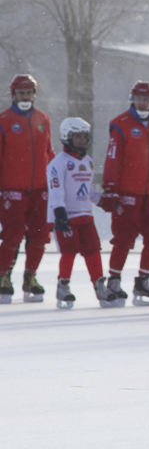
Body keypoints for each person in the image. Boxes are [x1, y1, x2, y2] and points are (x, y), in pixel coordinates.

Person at [102, 80, 149, 305]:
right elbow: (113, 159)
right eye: (140, 98)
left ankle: (143, 280)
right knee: (123, 238)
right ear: (132, 99)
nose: (143, 102)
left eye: (148, 98)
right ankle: (113, 279)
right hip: (128, 192)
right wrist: (111, 189)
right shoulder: (120, 124)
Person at [47, 118, 114, 309]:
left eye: (85, 136)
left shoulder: (88, 162)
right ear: (67, 137)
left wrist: (101, 201)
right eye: (77, 137)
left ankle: (99, 285)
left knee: (93, 250)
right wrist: (59, 211)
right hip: (67, 215)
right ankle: (63, 285)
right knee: (69, 251)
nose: (82, 140)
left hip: (86, 215)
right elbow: (56, 189)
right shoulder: (58, 163)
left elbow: (87, 188)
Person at [0, 74, 55, 303]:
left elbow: (49, 153)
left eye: (29, 92)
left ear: (34, 94)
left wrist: (54, 181)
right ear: (14, 94)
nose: (25, 96)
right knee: (13, 233)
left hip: (41, 187)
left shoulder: (43, 119)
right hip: (12, 187)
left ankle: (30, 276)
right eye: (21, 93)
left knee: (40, 234)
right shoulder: (3, 120)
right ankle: (3, 276)